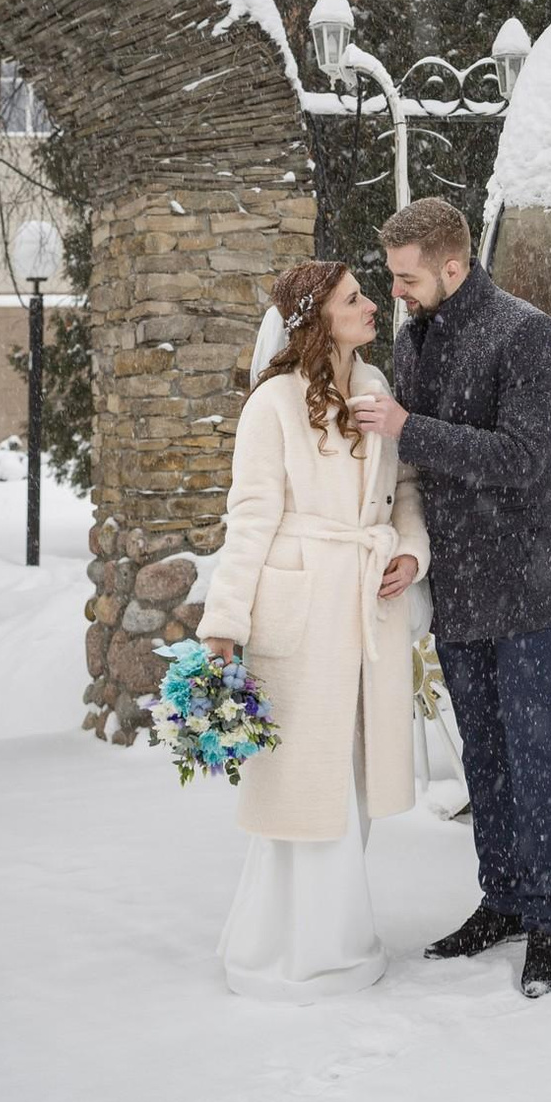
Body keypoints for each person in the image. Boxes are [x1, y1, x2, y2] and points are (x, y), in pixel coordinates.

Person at [350, 197, 551, 999]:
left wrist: (408, 427)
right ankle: (502, 900)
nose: (398, 293)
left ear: (453, 266)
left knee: (533, 752)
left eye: (408, 278)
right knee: (479, 752)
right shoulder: (415, 337)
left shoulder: (526, 332)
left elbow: (520, 457)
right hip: (457, 584)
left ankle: (548, 922)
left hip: (524, 579)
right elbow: (408, 461)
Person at [195, 259, 429, 1001]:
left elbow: (407, 493)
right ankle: (289, 950)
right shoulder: (273, 405)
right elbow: (251, 518)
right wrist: (224, 623)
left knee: (354, 776)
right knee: (303, 785)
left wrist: (412, 553)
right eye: (353, 299)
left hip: (367, 608)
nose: (370, 307)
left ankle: (337, 936)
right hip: (298, 610)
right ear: (316, 318)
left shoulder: (376, 391)